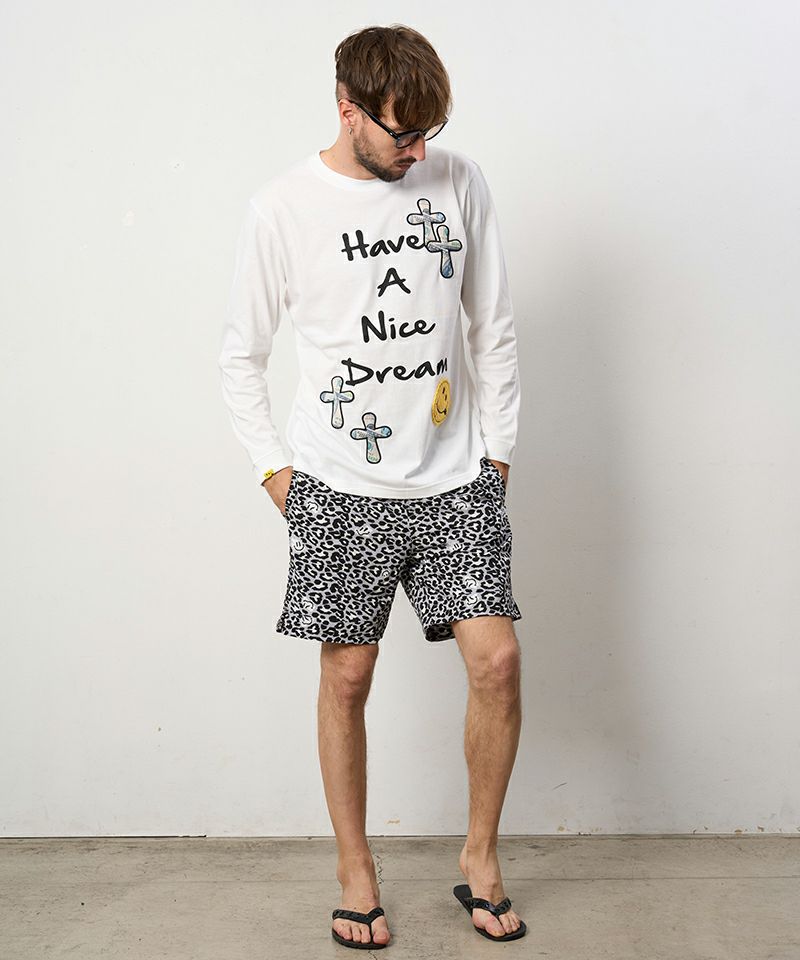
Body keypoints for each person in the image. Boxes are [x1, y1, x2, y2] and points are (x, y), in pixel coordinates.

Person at [218, 23, 526, 948]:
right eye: (403, 132)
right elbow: (241, 356)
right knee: (348, 675)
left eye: (432, 130)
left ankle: (480, 859)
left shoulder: (460, 183)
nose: (419, 150)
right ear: (347, 108)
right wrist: (278, 474)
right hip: (338, 484)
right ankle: (356, 869)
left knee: (498, 663)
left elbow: (492, 325)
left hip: (456, 479)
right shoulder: (282, 208)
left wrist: (498, 456)